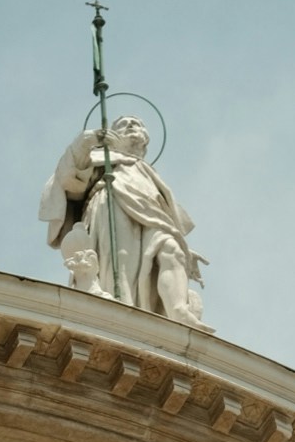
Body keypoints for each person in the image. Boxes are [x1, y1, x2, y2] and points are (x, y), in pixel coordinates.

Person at [40, 117, 206, 323]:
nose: (130, 125)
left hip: (155, 218)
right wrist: (86, 141)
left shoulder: (149, 174)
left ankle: (179, 310)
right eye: (123, 124)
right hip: (114, 206)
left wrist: (185, 248)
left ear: (146, 138)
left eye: (136, 123)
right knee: (122, 265)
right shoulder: (103, 160)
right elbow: (68, 180)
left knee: (174, 251)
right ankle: (123, 315)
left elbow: (165, 214)